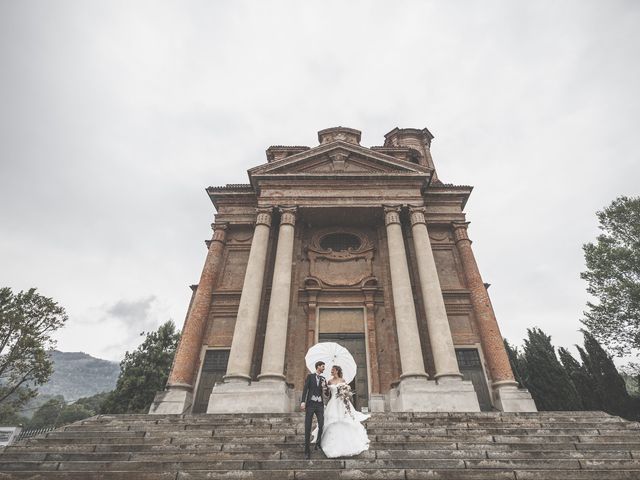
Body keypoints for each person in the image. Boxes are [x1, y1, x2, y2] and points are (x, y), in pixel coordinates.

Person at [311, 364, 370, 458]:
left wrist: (345, 394)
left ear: (337, 371)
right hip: (333, 403)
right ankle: (330, 443)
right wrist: (324, 388)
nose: (331, 371)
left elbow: (347, 393)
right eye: (331, 370)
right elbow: (327, 394)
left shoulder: (342, 381)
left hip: (341, 403)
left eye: (333, 370)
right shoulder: (329, 381)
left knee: (344, 420)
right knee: (331, 421)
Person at [301, 360, 329, 459]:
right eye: (322, 366)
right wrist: (303, 401)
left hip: (320, 405)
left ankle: (318, 443)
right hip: (310, 404)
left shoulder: (323, 379)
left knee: (321, 424)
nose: (324, 368)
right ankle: (307, 451)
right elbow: (305, 389)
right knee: (307, 427)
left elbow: (326, 394)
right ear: (318, 367)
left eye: (324, 366)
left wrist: (324, 388)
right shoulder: (310, 377)